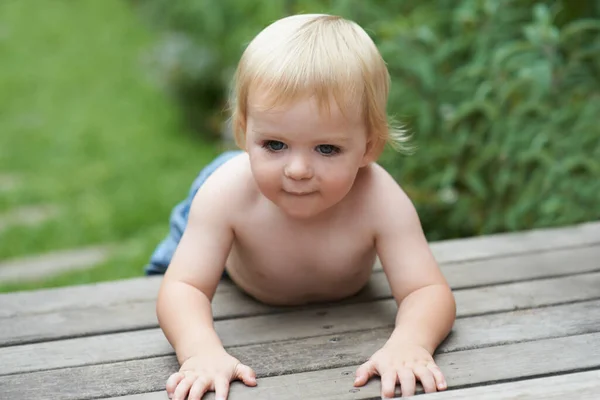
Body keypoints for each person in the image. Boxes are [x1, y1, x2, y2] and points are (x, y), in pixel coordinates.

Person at [150, 13, 456, 400]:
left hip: (259, 189)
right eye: (275, 144)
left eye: (326, 148)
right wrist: (200, 352)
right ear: (243, 133)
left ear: (369, 148)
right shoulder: (227, 195)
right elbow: (183, 287)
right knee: (180, 261)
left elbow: (427, 290)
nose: (297, 170)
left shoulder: (379, 198)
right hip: (235, 201)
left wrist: (411, 344)